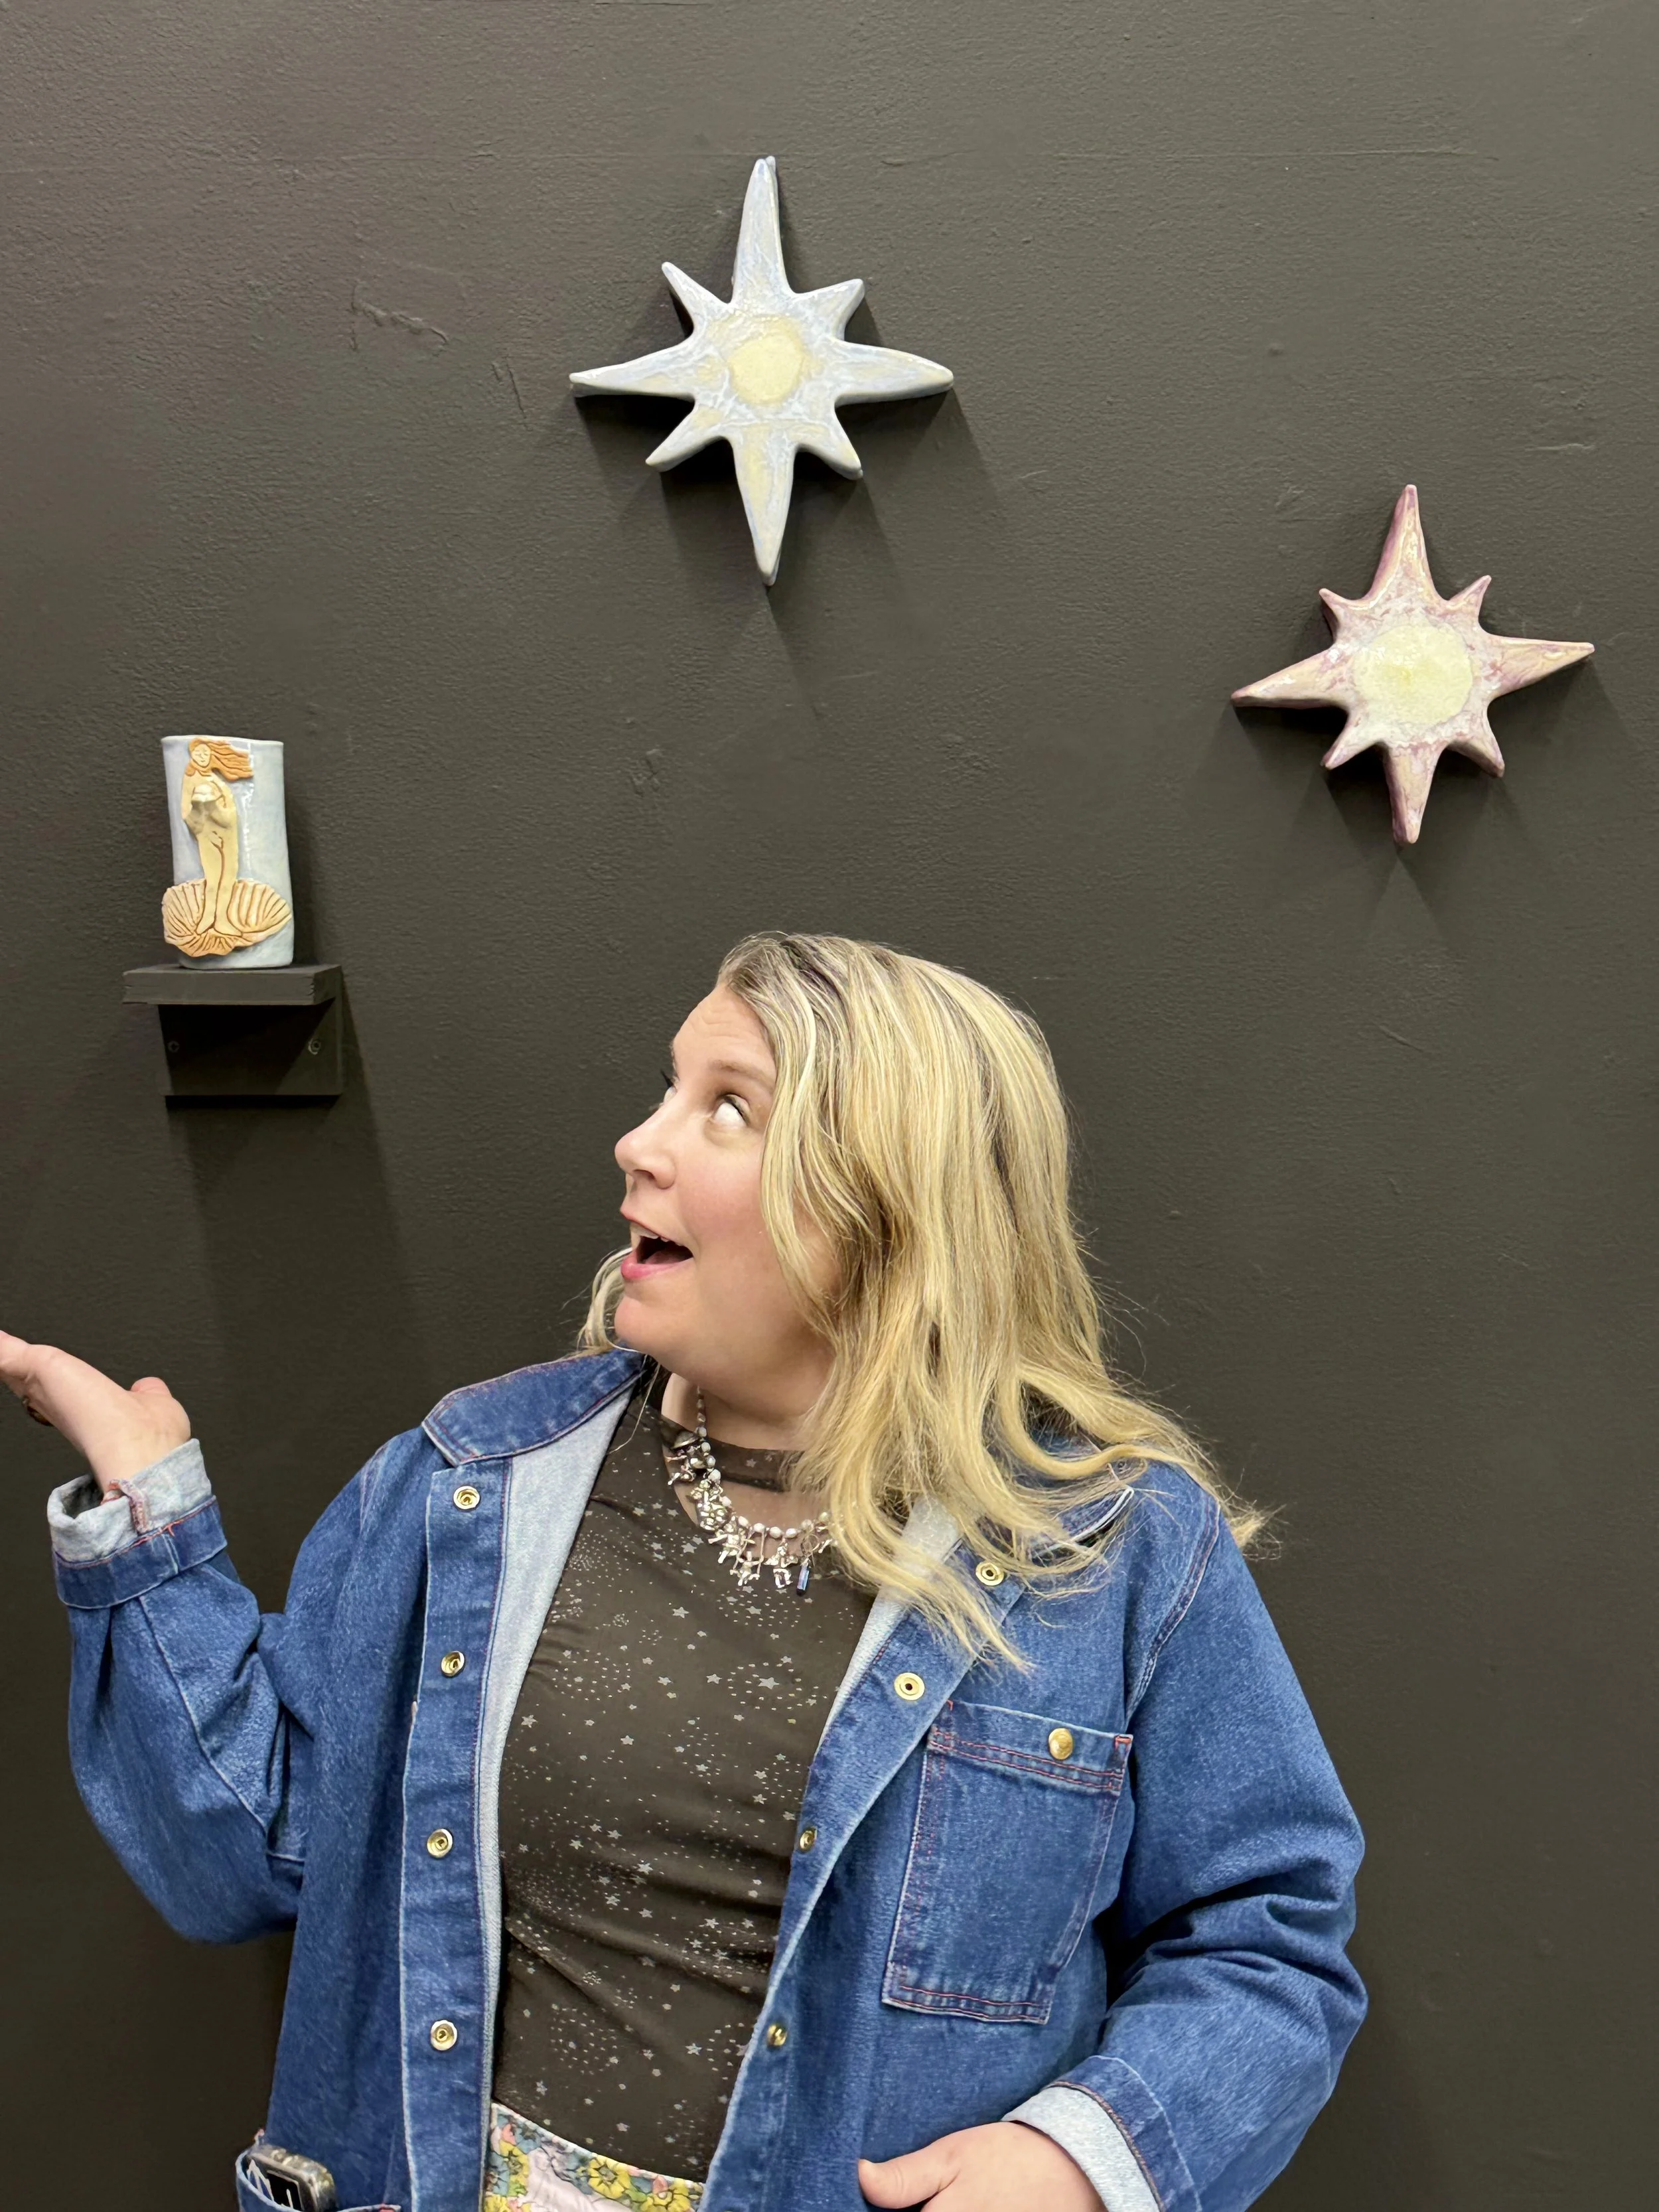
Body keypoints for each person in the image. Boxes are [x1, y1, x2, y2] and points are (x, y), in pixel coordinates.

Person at [6, 931, 1364, 2212]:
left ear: (889, 1198)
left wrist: (1082, 2158)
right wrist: (148, 1525)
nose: (636, 1143)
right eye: (669, 1087)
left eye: (726, 1107)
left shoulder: (1115, 1553)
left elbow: (1266, 1940)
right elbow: (247, 1852)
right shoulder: (470, 1480)